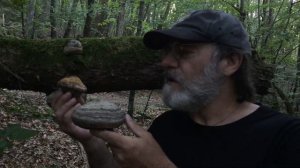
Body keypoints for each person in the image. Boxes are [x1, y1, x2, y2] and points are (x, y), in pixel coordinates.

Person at [50, 10, 300, 168]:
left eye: (184, 52)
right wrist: (91, 141)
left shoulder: (285, 137)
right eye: (167, 52)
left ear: (230, 62)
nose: (166, 62)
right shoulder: (167, 126)